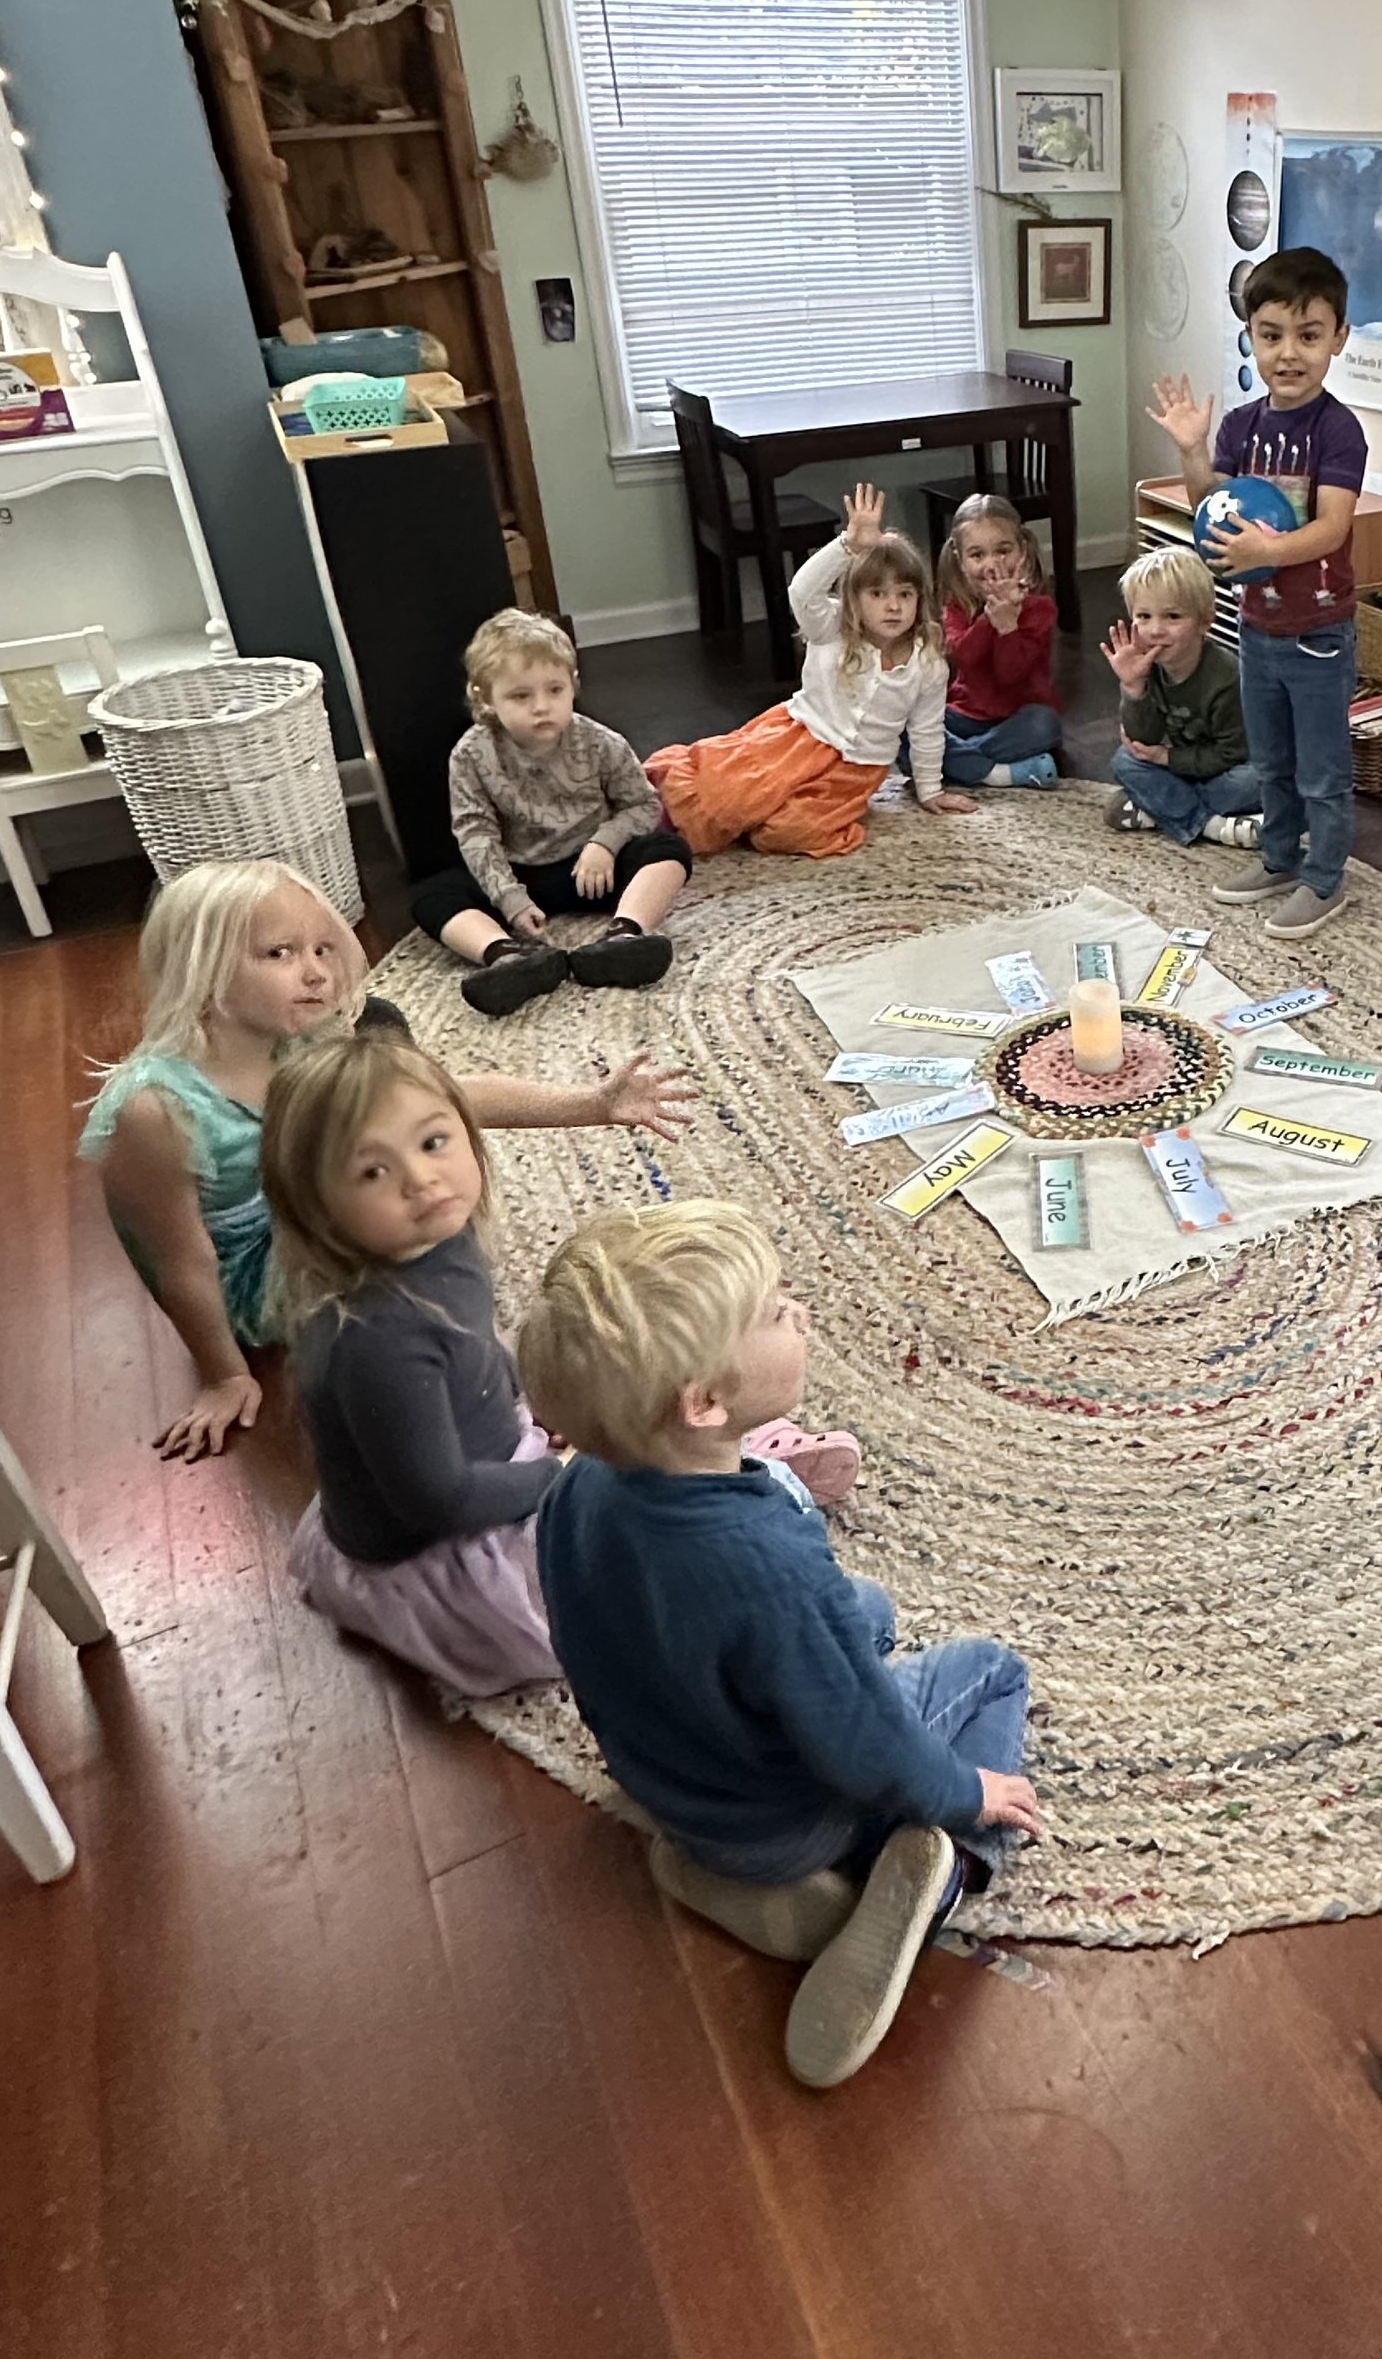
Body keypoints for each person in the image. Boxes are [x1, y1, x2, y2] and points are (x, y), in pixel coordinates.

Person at [522, 1201, 1042, 2091]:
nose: (798, 1310)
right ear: (705, 1402)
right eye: (773, 1309)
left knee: (861, 1613)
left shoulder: (576, 1492)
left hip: (675, 1785)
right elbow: (870, 1750)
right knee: (993, 1671)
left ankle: (728, 1866)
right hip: (786, 1815)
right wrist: (965, 1789)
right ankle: (940, 1879)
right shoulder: (769, 1571)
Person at [78, 858, 697, 1461]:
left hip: (311, 1207)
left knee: (416, 1139)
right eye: (280, 953)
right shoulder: (155, 1110)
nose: (315, 972)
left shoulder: (305, 1041)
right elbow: (181, 1263)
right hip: (252, 1279)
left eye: (323, 950)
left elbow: (449, 1098)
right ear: (200, 968)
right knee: (412, 1239)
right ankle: (500, 1393)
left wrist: (592, 1103)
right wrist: (223, 1376)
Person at [265, 1034, 561, 1696]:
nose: (421, 1179)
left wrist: (532, 1406)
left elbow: (477, 1347)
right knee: (637, 1565)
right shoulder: (380, 1341)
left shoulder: (438, 1242)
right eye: (374, 1171)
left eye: (433, 1143)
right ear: (318, 1208)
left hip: (471, 1466)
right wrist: (553, 1478)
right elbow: (440, 1500)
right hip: (442, 1553)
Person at [1145, 244, 1369, 943]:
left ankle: (1325, 877)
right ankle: (1278, 858)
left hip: (1320, 633)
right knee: (1270, 760)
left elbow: (1331, 528)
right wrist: (1191, 447)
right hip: (1257, 630)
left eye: (1308, 335)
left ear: (1338, 338)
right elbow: (1210, 505)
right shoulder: (1241, 427)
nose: (1288, 353)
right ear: (1251, 337)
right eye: (1271, 336)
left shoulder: (1338, 430)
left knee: (1321, 770)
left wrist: (1270, 550)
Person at [642, 488, 979, 857]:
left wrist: (930, 789)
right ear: (855, 598)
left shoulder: (928, 660)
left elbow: (926, 728)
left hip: (855, 772)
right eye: (878, 594)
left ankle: (763, 816)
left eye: (904, 594)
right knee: (722, 797)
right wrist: (848, 545)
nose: (893, 606)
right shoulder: (832, 626)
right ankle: (647, 820)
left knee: (787, 833)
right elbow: (802, 592)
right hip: (798, 739)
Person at [407, 608, 692, 1018]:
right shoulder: (471, 755)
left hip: (594, 871)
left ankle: (624, 936)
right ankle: (506, 956)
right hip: (520, 875)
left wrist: (604, 844)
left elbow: (644, 804)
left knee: (667, 850)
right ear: (485, 698)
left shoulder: (600, 742)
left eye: (554, 690)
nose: (541, 706)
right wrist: (510, 899)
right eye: (521, 696)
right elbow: (476, 832)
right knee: (430, 893)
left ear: (572, 686)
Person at [1099, 544, 1263, 850]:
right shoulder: (1146, 664)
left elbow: (1234, 753)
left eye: (1172, 616)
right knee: (1124, 762)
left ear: (1204, 621)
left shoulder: (1228, 677)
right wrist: (1133, 687)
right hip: (1184, 767)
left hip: (1229, 766)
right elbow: (1142, 742)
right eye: (1144, 616)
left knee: (1258, 778)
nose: (1156, 630)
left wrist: (1167, 758)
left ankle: (1164, 809)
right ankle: (1211, 825)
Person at [934, 493, 1062, 789]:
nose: (992, 564)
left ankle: (955, 762)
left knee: (1046, 725)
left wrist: (1007, 628)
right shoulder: (955, 606)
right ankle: (997, 771)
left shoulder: (1039, 608)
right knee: (907, 722)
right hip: (965, 714)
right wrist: (987, 619)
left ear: (1023, 550)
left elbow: (1010, 676)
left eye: (1003, 551)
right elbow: (963, 656)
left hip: (1019, 716)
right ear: (961, 560)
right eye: (977, 555)